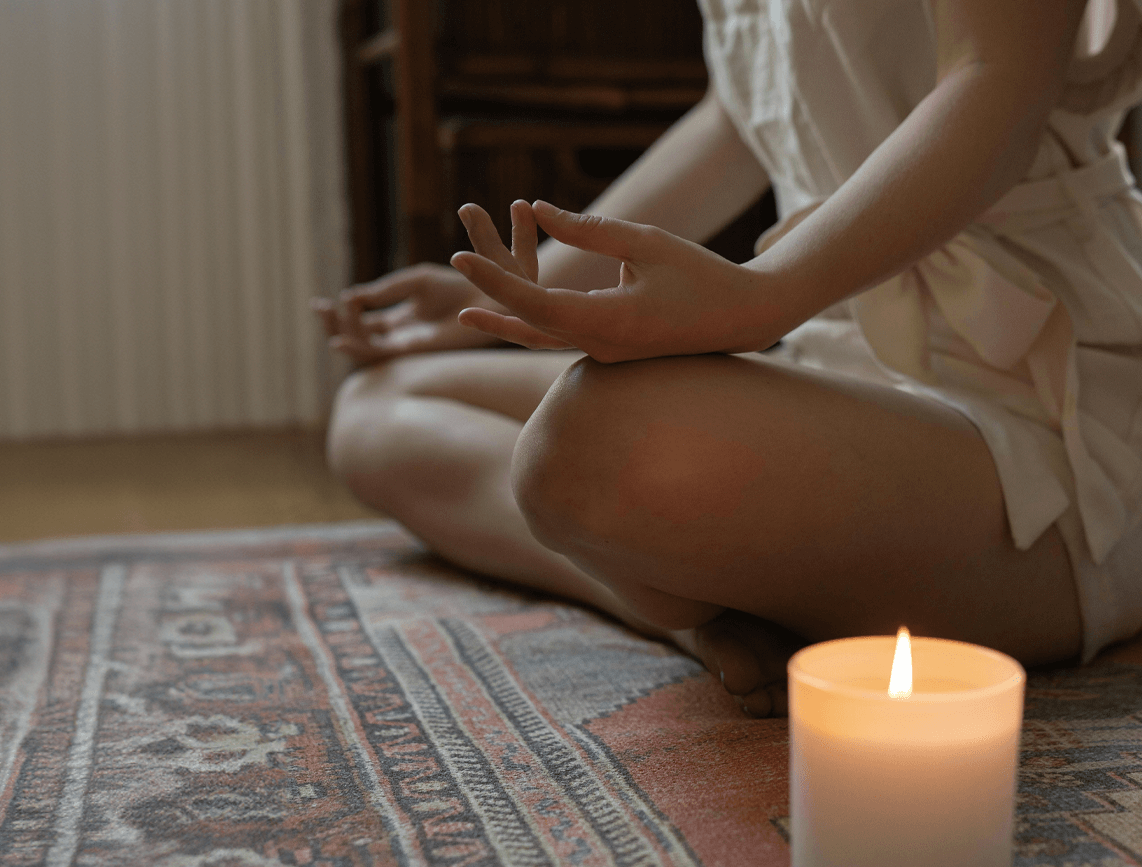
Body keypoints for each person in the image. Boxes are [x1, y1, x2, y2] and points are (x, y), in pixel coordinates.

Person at [314, 0, 1142, 717]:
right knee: (376, 407)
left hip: (1041, 398)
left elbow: (996, 74)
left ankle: (690, 578)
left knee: (591, 444)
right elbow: (739, 118)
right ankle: (692, 614)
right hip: (831, 357)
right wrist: (503, 305)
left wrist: (764, 293)